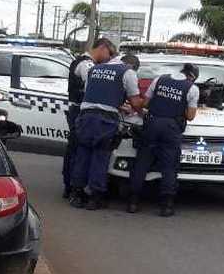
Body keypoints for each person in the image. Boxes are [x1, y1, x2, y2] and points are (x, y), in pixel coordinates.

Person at [69, 50, 144, 210]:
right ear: (132, 66)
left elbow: (93, 93)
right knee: (100, 156)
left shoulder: (95, 69)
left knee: (83, 154)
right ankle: (95, 198)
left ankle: (77, 194)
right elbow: (136, 102)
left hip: (85, 116)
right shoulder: (128, 72)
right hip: (105, 120)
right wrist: (142, 113)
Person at [128, 63, 200, 217]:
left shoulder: (159, 79)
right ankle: (166, 205)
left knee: (142, 162)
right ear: (192, 77)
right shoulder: (192, 89)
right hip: (171, 129)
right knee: (169, 166)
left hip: (152, 124)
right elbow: (190, 116)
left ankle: (133, 202)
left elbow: (145, 103)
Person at [62, 38, 117, 199]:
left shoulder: (85, 63)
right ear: (102, 48)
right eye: (110, 53)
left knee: (76, 149)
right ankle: (72, 187)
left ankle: (72, 186)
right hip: (80, 110)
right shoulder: (87, 65)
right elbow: (94, 88)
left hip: (79, 110)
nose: (109, 57)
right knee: (77, 150)